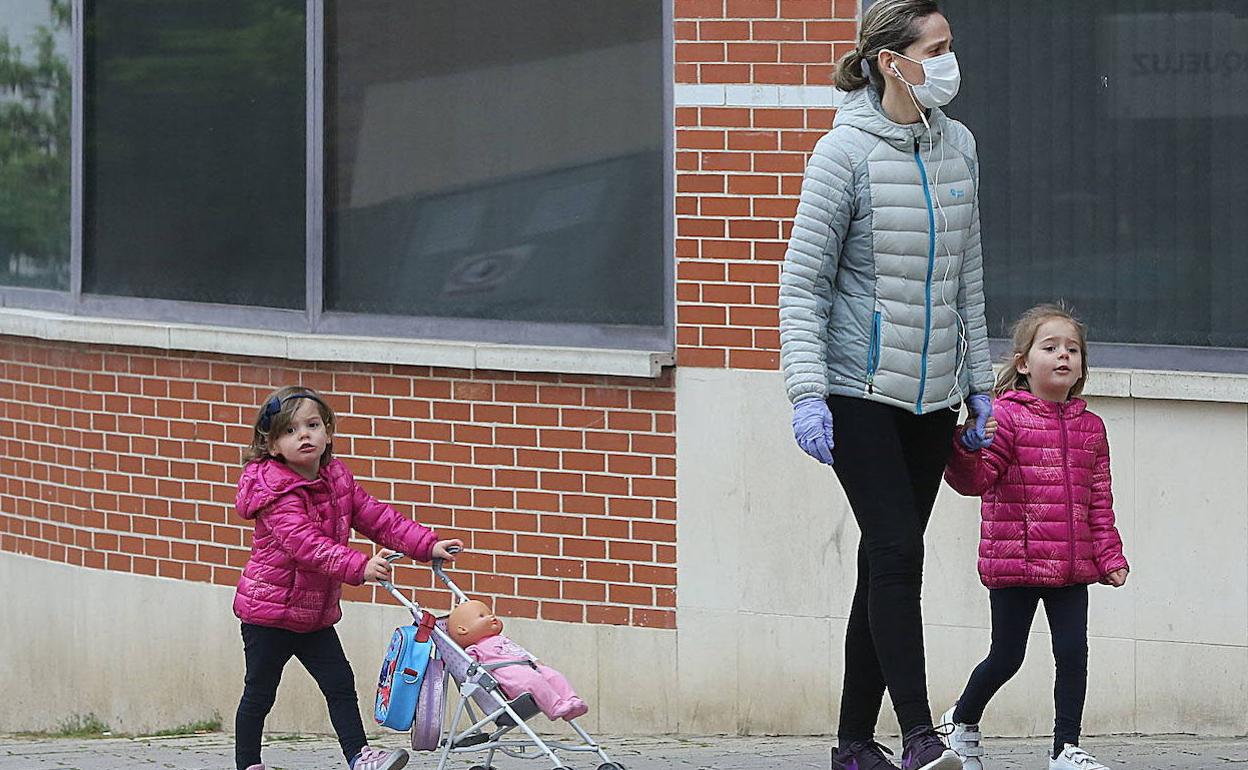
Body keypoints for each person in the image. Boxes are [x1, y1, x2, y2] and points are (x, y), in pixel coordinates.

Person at [778, 0, 994, 767]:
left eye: (949, 45)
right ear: (888, 60)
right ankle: (917, 734)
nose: (946, 60)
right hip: (857, 390)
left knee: (881, 561)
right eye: (933, 48)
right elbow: (802, 285)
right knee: (900, 551)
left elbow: (967, 276)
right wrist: (807, 393)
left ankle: (850, 745)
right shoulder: (842, 155)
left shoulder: (959, 146)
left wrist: (978, 386)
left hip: (931, 397)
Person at [231, 385, 463, 770]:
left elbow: (377, 517)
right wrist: (360, 566)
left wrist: (426, 545)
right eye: (290, 431)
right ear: (271, 446)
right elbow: (307, 545)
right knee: (259, 692)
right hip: (268, 615)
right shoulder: (275, 494)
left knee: (339, 683)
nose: (304, 435)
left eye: (313, 425)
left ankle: (359, 756)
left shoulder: (337, 478)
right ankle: (249, 764)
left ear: (328, 432)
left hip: (314, 615)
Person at [941, 304, 1129, 770]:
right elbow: (975, 481)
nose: (1063, 356)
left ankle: (1066, 749)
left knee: (1072, 653)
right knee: (1007, 657)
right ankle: (960, 721)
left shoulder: (1091, 428)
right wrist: (964, 448)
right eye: (1051, 347)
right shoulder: (1004, 418)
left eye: (1073, 350)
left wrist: (1109, 555)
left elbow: (1098, 501)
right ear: (1024, 362)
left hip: (1071, 568)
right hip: (1016, 564)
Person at [447, 599, 589, 721]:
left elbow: (519, 651)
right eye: (482, 616)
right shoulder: (474, 649)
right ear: (463, 630)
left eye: (490, 613)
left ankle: (572, 701)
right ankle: (555, 707)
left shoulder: (502, 639)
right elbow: (470, 673)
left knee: (553, 675)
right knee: (534, 681)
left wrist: (535, 661)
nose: (491, 616)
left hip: (528, 667)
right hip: (513, 679)